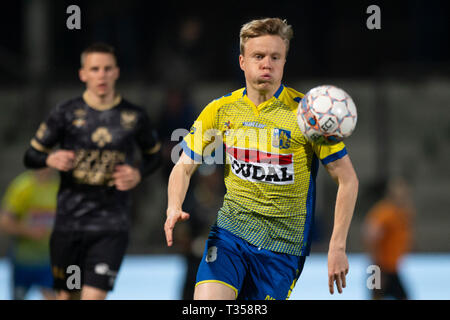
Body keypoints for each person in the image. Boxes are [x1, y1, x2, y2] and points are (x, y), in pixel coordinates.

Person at [164, 18, 359, 300]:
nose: (267, 63)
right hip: (230, 236)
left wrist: (337, 246)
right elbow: (183, 166)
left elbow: (347, 179)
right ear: (242, 61)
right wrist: (173, 206)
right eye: (258, 56)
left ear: (284, 62)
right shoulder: (220, 110)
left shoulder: (308, 115)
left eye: (275, 57)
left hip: (282, 250)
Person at [23, 43, 161, 300]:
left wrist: (138, 173)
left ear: (117, 72)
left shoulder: (134, 116)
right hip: (69, 225)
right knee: (67, 297)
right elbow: (31, 156)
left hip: (111, 227)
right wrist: (51, 158)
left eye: (107, 69)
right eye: (95, 69)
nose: (102, 75)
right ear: (83, 74)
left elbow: (155, 157)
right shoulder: (65, 114)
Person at [0, 168, 58, 300]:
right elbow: (4, 222)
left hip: (49, 260)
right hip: (24, 260)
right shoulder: (23, 186)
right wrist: (29, 231)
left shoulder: (60, 186)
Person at [363, 177, 414, 300]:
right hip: (379, 267)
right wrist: (377, 264)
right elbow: (370, 235)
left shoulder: (403, 213)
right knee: (377, 295)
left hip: (392, 267)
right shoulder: (384, 212)